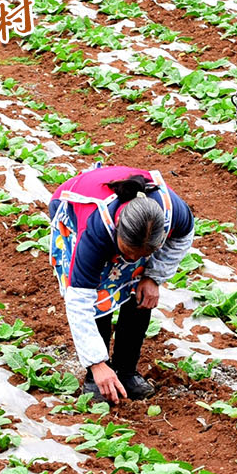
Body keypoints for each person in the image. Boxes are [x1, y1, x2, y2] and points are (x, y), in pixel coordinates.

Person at [48, 165, 195, 402]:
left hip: (133, 233)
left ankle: (126, 371)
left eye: (142, 254)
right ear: (117, 232)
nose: (133, 259)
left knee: (140, 291)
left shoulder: (172, 211)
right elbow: (80, 300)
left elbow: (184, 235)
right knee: (99, 295)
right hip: (73, 207)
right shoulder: (96, 230)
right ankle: (94, 379)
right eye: (127, 251)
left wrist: (153, 277)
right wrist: (96, 363)